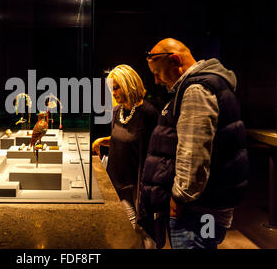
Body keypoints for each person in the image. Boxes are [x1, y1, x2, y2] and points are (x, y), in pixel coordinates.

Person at [139, 38, 249, 249]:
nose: (156, 81)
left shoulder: (196, 89)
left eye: (157, 73)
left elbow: (193, 152)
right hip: (203, 206)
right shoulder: (205, 85)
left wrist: (180, 199)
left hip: (196, 210)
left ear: (175, 60)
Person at [92, 64, 158, 242]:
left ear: (129, 85)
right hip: (117, 181)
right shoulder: (117, 112)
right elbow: (123, 138)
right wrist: (102, 141)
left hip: (137, 185)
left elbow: (153, 152)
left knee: (141, 233)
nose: (113, 93)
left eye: (116, 88)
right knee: (127, 233)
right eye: (111, 89)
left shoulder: (149, 114)